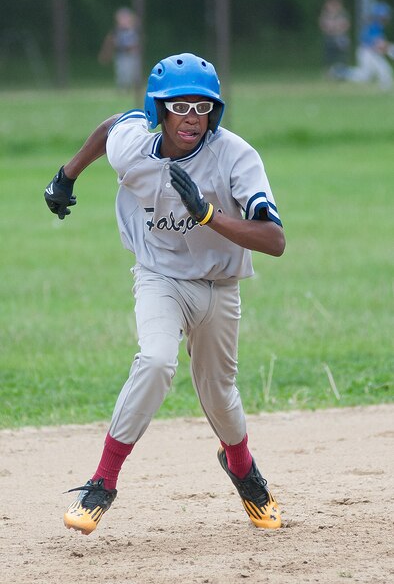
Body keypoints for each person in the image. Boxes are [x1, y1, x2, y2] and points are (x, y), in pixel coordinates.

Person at [44, 52, 286, 535]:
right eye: (180, 106)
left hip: (219, 284)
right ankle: (102, 482)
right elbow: (116, 124)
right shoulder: (135, 148)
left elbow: (275, 241)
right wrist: (66, 174)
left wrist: (209, 215)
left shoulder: (236, 155)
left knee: (219, 394)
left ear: (215, 112)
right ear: (159, 111)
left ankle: (241, 468)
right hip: (159, 277)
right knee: (155, 361)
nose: (192, 118)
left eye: (203, 107)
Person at [344, 1, 393, 90]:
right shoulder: (373, 26)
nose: (386, 18)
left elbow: (379, 44)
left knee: (367, 75)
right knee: (368, 75)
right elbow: (376, 43)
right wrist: (389, 48)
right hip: (366, 53)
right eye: (384, 16)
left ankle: (341, 73)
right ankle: (341, 73)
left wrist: (387, 48)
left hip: (370, 52)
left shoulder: (377, 26)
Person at [98, 7, 141, 93]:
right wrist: (106, 54)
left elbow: (137, 42)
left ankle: (135, 88)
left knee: (134, 72)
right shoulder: (117, 31)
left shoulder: (133, 29)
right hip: (122, 54)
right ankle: (123, 88)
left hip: (132, 55)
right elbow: (110, 41)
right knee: (122, 72)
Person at [318, 0, 351, 79]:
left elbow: (344, 25)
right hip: (330, 38)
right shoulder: (326, 14)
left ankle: (342, 74)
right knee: (329, 57)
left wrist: (334, 27)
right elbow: (324, 25)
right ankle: (328, 75)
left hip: (340, 39)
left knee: (341, 57)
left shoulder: (343, 14)